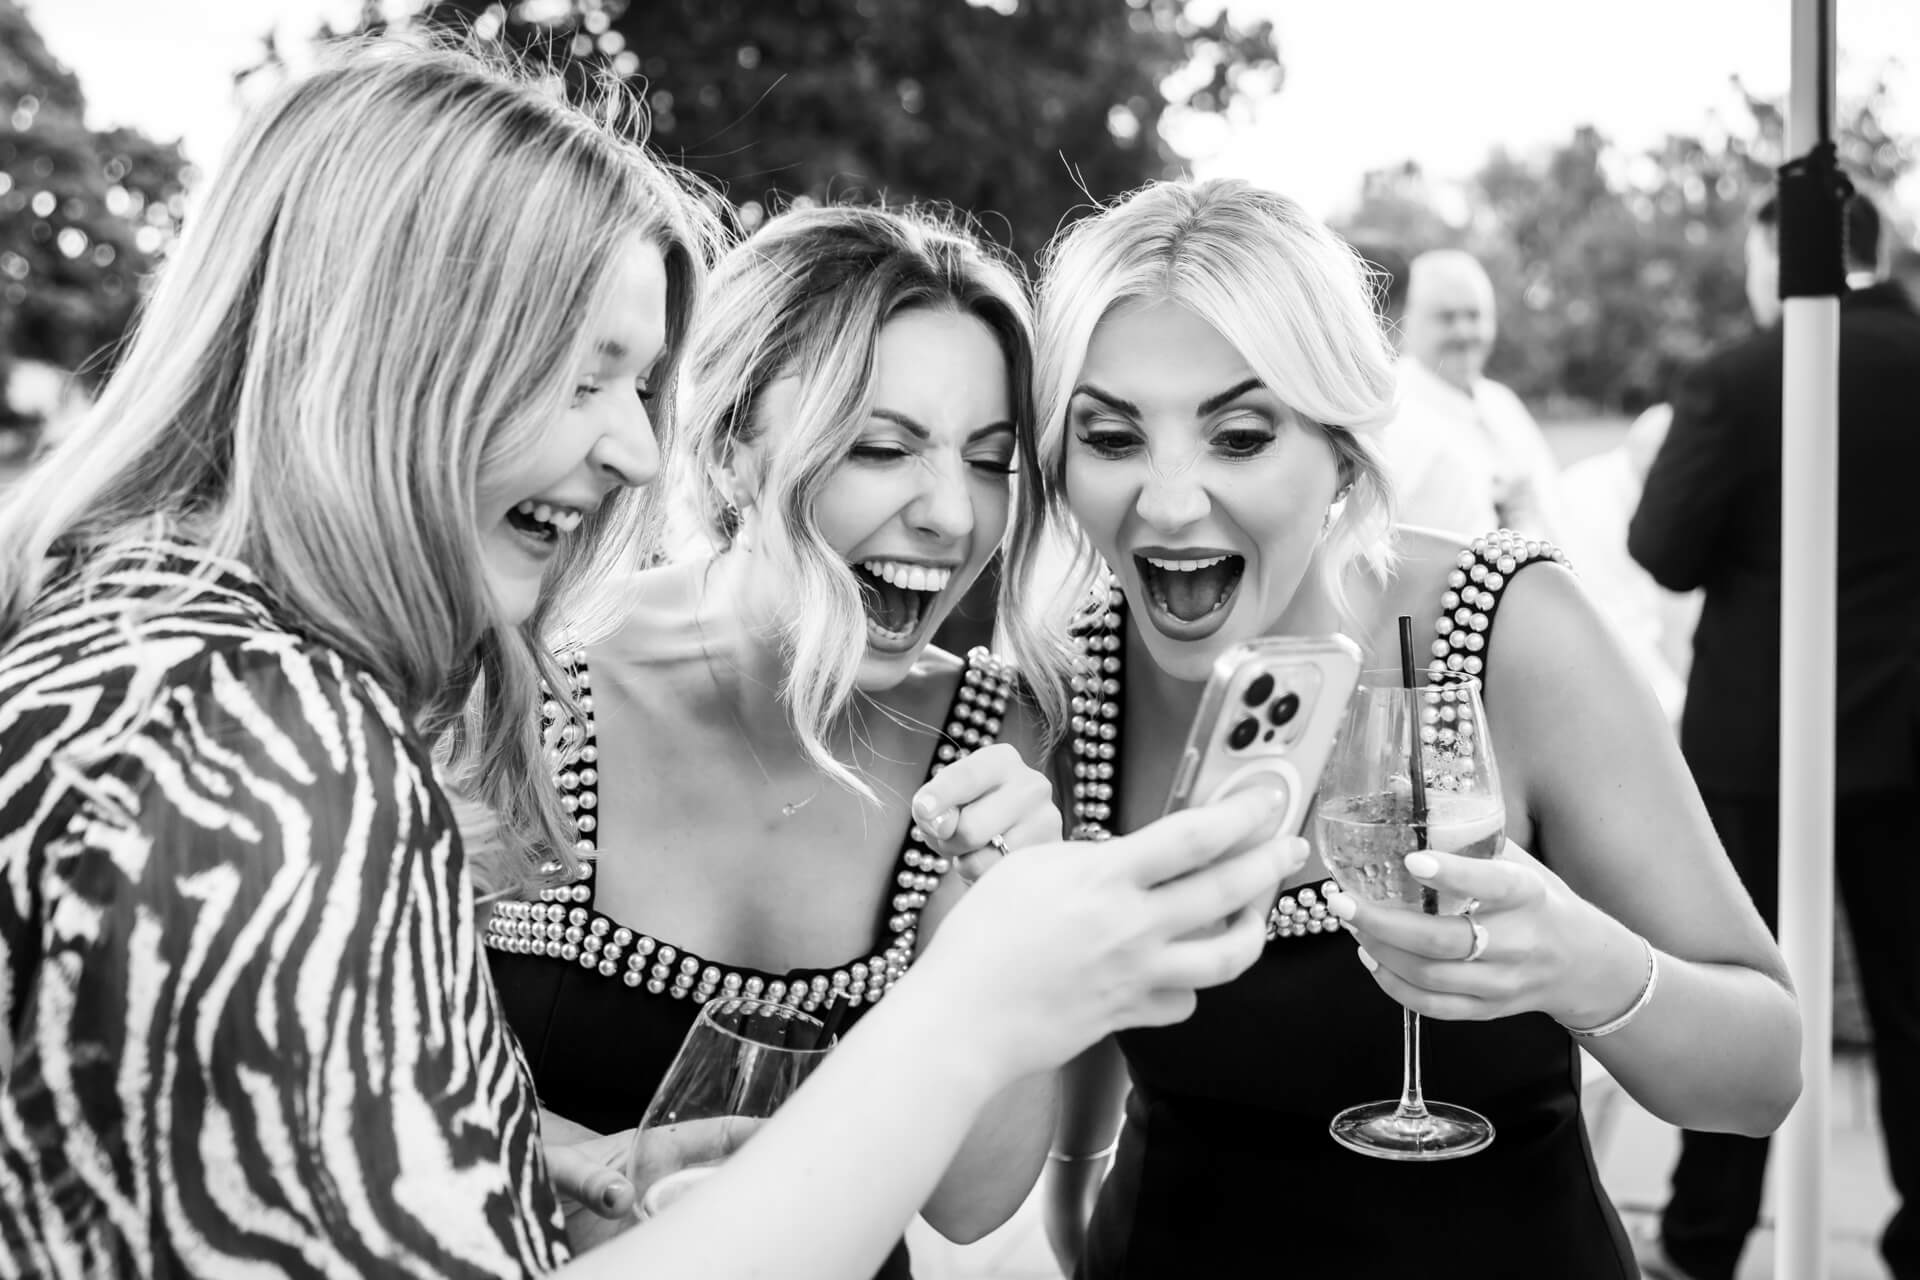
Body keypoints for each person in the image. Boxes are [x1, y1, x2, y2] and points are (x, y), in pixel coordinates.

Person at [0, 44, 1303, 1279]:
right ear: (394, 358)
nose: (634, 447)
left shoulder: (199, 675)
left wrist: (556, 1158)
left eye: (990, 457)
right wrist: (970, 1006)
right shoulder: (267, 741)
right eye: (587, 374)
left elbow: (319, 1143)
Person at [997, 177, 1801, 1280]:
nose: (1170, 500)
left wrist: (1580, 962)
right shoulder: (1068, 676)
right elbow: (1087, 1057)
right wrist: (1075, 1193)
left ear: (1340, 445)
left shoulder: (1505, 628)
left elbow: (1763, 1072)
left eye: (1238, 433)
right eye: (1112, 434)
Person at [483, 204, 1092, 1276]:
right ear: (728, 449)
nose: (953, 515)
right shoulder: (522, 689)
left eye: (990, 460)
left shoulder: (1006, 739)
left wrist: (997, 935)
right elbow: (363, 1100)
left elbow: (971, 1203)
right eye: (881, 446)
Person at [1629, 189, 1920, 1280]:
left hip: (1760, 750)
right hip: (1909, 740)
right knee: (1912, 999)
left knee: (1734, 987)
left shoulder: (1744, 377)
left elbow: (1663, 545)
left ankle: (1703, 1240)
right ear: (1877, 250)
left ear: (1775, 252)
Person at [1395, 248, 1564, 540]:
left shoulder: (1502, 402)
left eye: (1474, 315)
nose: (1463, 332)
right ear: (1409, 321)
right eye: (1446, 317)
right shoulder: (1391, 409)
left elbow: (1554, 501)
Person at [1556, 402, 1700, 726]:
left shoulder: (1646, 483)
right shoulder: (1588, 503)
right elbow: (1620, 627)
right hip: (1594, 686)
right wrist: (1684, 711)